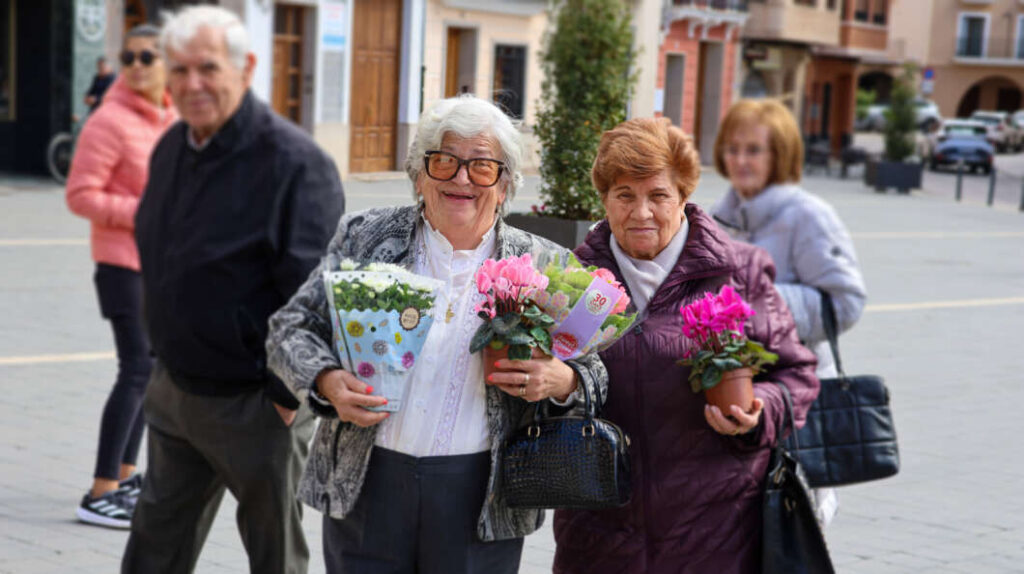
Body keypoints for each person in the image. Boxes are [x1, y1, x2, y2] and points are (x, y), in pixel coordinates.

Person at [265, 95, 608, 574]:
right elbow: (290, 328)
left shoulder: (546, 264)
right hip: (369, 481)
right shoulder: (366, 238)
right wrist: (324, 381)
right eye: (444, 161)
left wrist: (561, 381)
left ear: (505, 183)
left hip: (482, 495)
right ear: (419, 174)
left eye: (483, 166)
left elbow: (593, 372)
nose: (461, 179)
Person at [122, 6, 344, 574]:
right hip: (176, 392)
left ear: (245, 68)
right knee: (152, 549)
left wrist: (283, 393)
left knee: (275, 558)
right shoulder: (174, 147)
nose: (191, 83)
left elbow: (313, 294)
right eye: (179, 70)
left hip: (257, 406)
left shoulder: (296, 164)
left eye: (207, 68)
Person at [552, 117, 819, 573]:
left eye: (658, 195)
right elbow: (547, 390)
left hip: (716, 533)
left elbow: (796, 375)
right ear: (604, 200)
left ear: (683, 196)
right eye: (624, 196)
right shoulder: (573, 279)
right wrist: (558, 388)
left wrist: (759, 411)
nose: (641, 213)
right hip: (598, 537)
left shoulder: (739, 272)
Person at [709, 99, 868, 525]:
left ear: (780, 155)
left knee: (792, 534)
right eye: (733, 148)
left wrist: (759, 307)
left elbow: (846, 301)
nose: (740, 160)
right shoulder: (718, 218)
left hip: (799, 399)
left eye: (754, 150)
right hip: (735, 397)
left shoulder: (808, 217)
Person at [65, 24, 176, 529]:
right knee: (136, 368)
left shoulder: (171, 116)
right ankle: (100, 490)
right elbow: (80, 194)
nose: (136, 64)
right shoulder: (109, 121)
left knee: (151, 372)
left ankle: (126, 479)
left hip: (159, 265)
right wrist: (147, 210)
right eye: (128, 56)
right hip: (120, 264)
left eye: (147, 55)